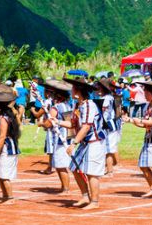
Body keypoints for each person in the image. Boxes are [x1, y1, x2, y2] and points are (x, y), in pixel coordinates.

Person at [61, 77, 106, 210]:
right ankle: (85, 196)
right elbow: (73, 124)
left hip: (94, 142)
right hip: (85, 142)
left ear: (78, 90)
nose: (71, 90)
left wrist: (74, 143)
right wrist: (56, 122)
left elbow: (86, 127)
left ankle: (95, 201)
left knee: (92, 172)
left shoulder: (89, 105)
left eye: (73, 88)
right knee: (75, 168)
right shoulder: (77, 106)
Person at [123, 81, 152, 200]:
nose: (144, 95)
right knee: (143, 164)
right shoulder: (149, 107)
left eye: (146, 92)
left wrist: (141, 121)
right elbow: (144, 124)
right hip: (149, 138)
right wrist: (131, 120)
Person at [43, 79, 73, 194]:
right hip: (69, 137)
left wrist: (43, 124)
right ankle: (63, 187)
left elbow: (49, 123)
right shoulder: (67, 105)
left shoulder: (56, 108)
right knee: (62, 164)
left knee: (61, 165)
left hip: (61, 139)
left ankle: (65, 188)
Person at [97, 78, 121, 177]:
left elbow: (102, 112)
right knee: (109, 148)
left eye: (99, 87)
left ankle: (110, 171)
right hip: (112, 125)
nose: (97, 89)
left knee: (108, 150)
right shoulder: (111, 97)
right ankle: (109, 169)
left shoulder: (106, 98)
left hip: (108, 126)